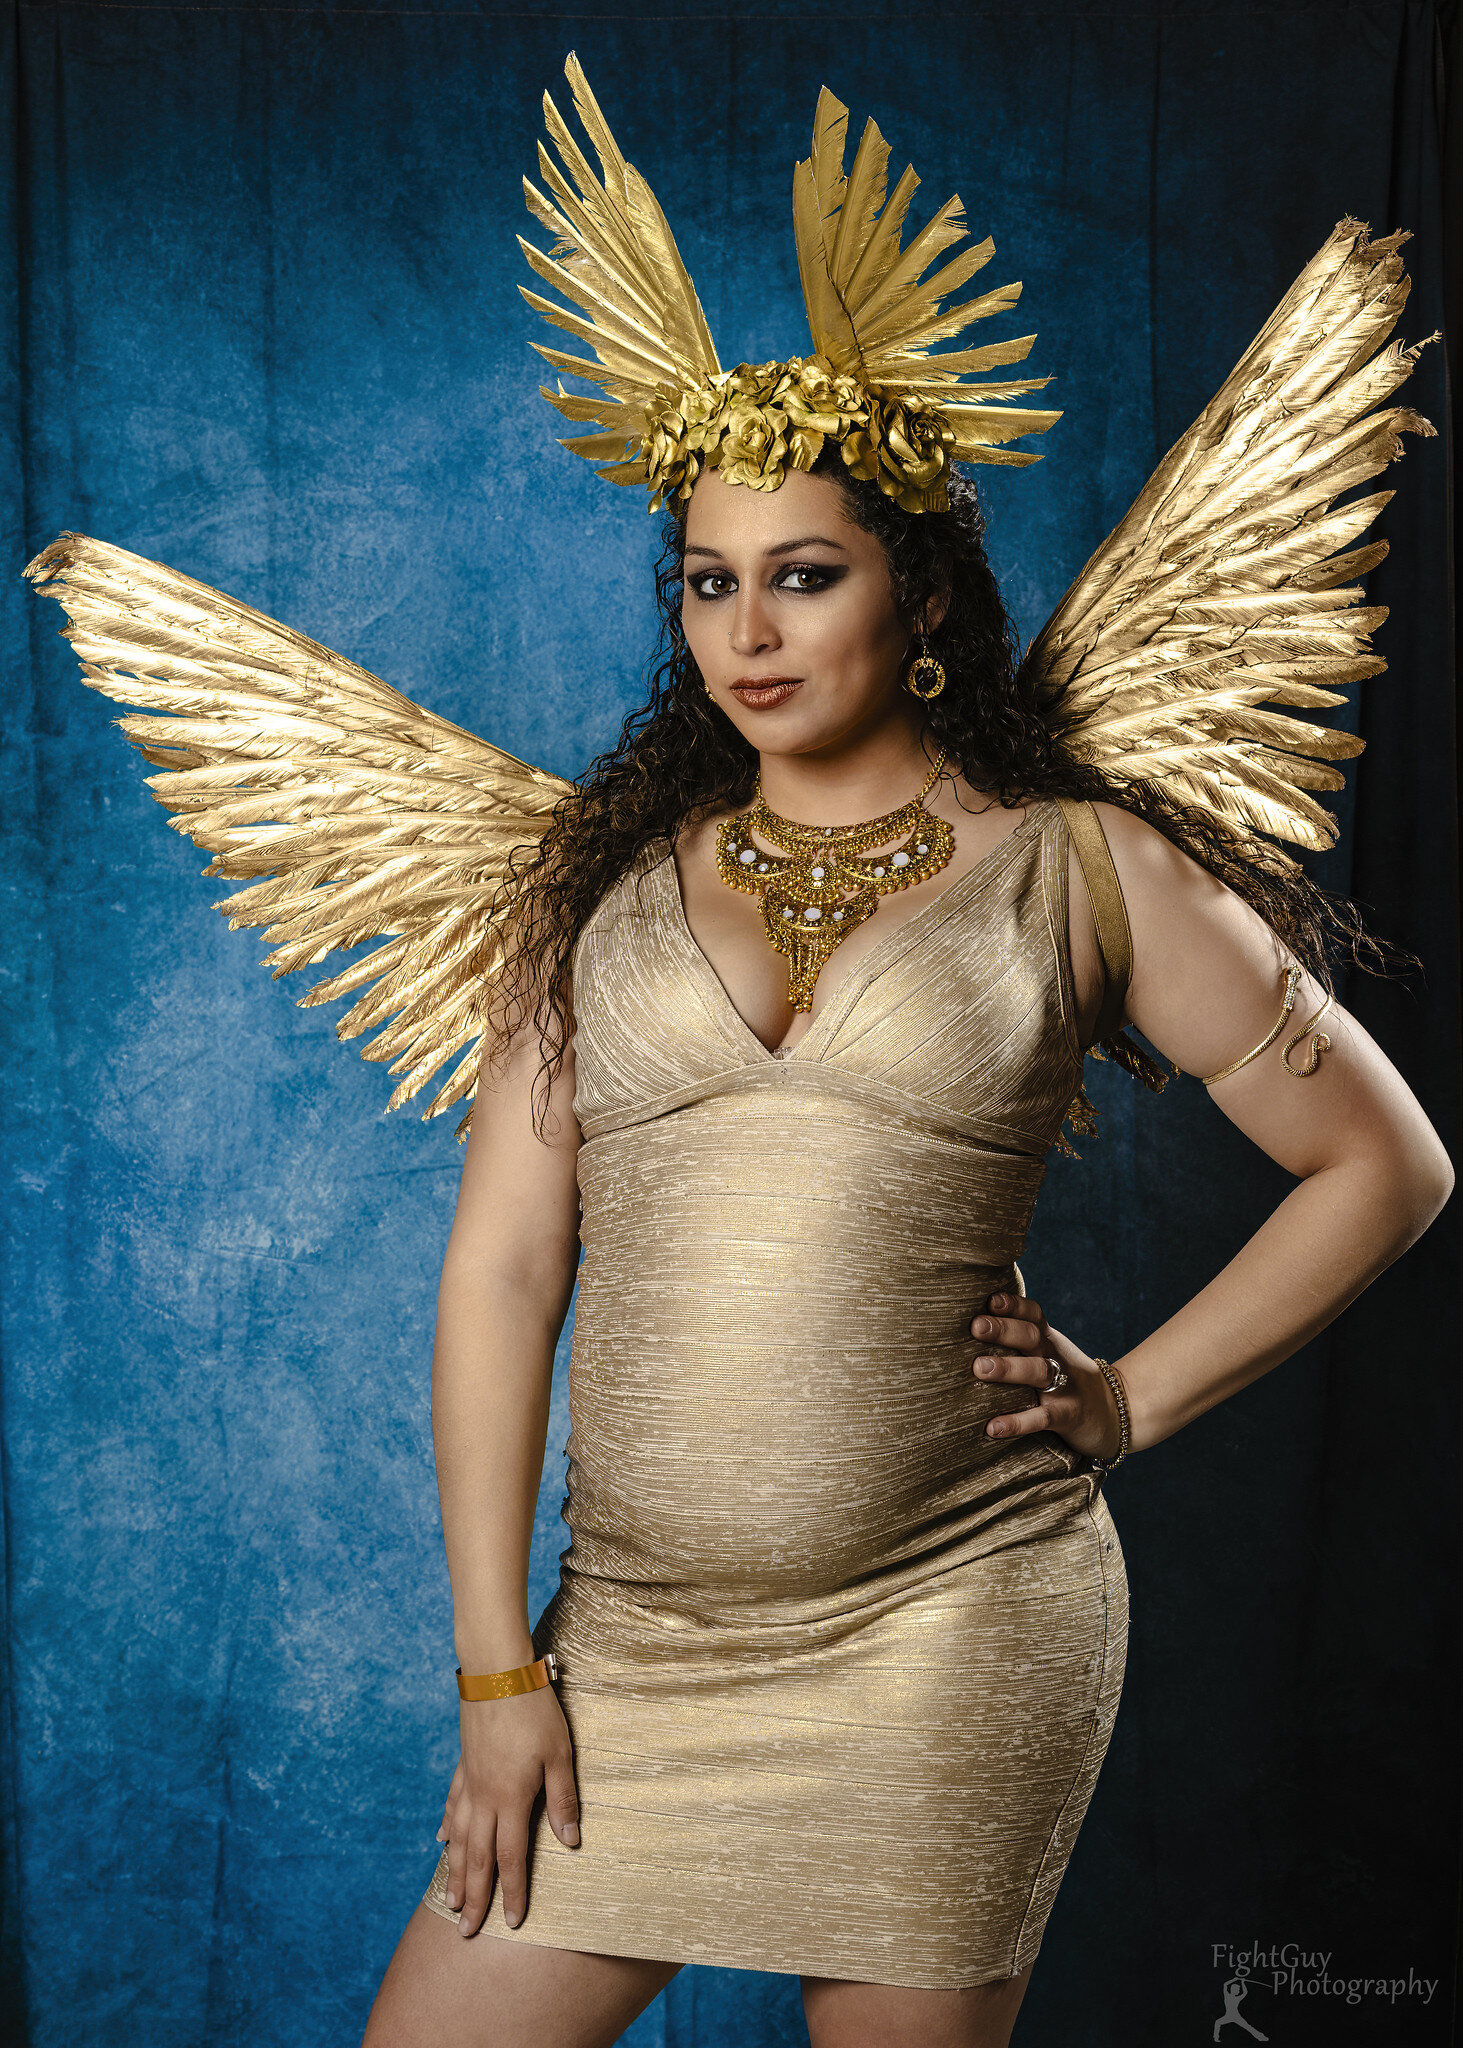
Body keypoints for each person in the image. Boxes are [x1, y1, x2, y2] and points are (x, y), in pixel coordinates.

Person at [25, 53, 1449, 2048]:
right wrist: (497, 1678)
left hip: (955, 1633)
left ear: (920, 593)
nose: (748, 633)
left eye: (806, 574)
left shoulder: (1078, 871)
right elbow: (507, 1271)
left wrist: (1125, 1399)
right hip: (634, 1659)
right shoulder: (598, 897)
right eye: (709, 581)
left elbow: (1389, 1163)